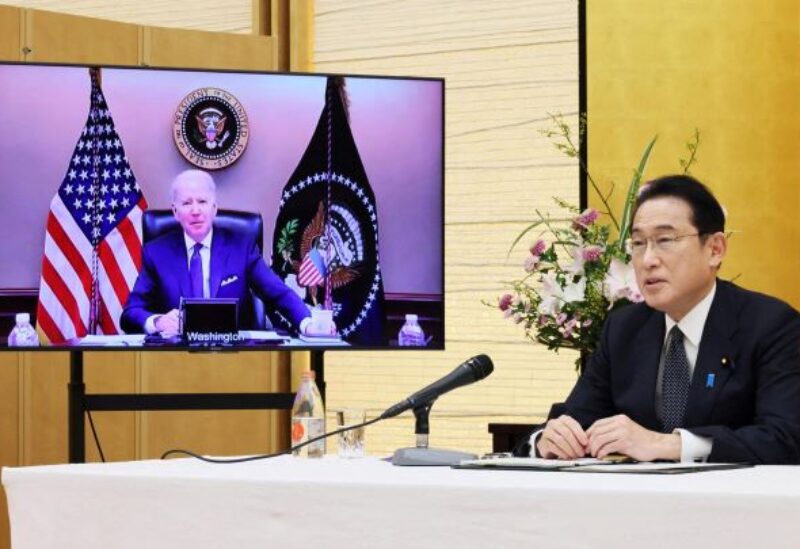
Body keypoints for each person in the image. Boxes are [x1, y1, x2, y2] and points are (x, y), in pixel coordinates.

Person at [533, 174, 800, 464]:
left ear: (715, 249)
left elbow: (785, 438)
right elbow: (577, 418)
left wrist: (671, 445)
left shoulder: (771, 325)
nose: (648, 259)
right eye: (637, 243)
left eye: (664, 240)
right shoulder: (623, 329)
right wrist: (547, 440)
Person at [121, 169, 328, 338]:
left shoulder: (241, 247)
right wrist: (157, 322)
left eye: (202, 202)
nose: (195, 211)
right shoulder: (157, 253)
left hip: (232, 358)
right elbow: (131, 313)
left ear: (214, 209)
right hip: (175, 360)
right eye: (186, 203)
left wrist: (308, 323)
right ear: (175, 212)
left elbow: (277, 293)